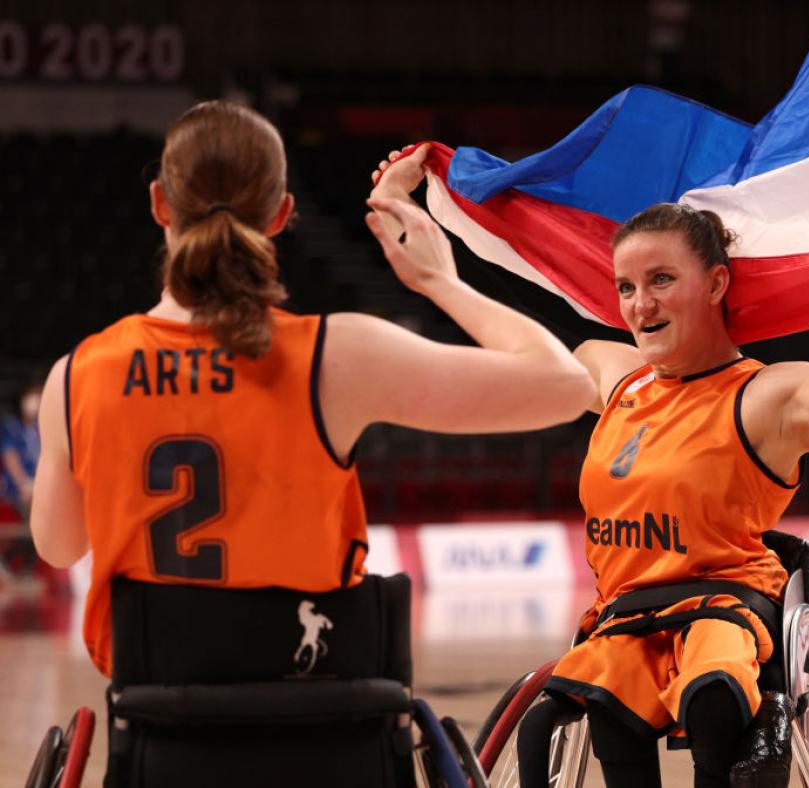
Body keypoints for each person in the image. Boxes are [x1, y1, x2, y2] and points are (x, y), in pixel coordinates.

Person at [375, 148, 809, 786]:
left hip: (727, 612)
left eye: (662, 281)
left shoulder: (768, 396)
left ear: (716, 282)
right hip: (623, 620)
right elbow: (523, 361)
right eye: (627, 287)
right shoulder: (616, 378)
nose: (640, 305)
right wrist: (436, 279)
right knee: (556, 718)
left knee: (715, 694)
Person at [29, 101, 595, 676]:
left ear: (158, 204)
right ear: (281, 214)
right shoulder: (337, 355)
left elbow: (58, 547)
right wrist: (440, 284)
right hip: (319, 728)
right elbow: (568, 386)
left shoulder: (76, 374)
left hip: (160, 731)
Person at [1, 383, 42, 587]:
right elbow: (10, 457)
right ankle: (10, 564)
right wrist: (24, 484)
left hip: (38, 489)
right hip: (18, 489)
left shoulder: (38, 429)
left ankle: (24, 570)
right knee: (31, 528)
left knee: (38, 530)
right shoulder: (12, 427)